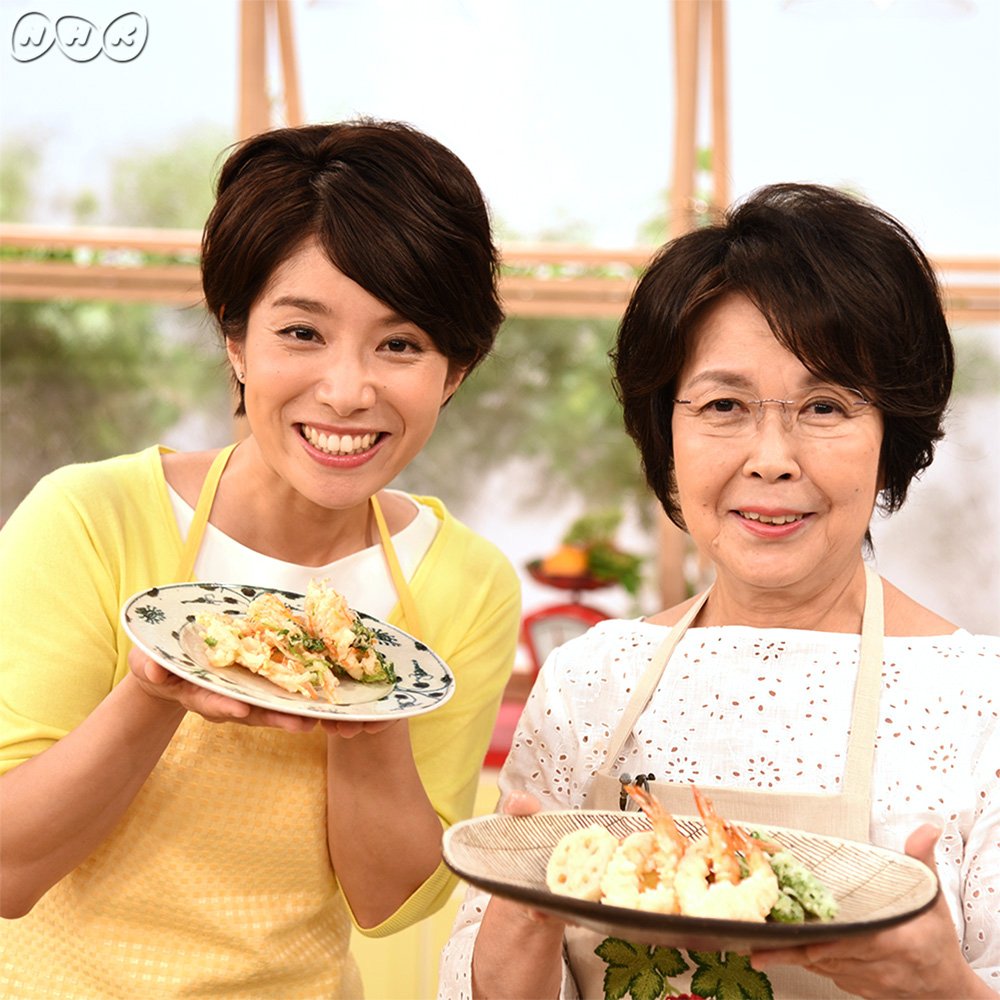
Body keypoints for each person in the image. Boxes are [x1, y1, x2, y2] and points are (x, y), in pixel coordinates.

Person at [0, 119, 521, 997]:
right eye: (302, 333)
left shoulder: (464, 581)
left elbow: (390, 902)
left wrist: (370, 697)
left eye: (400, 344)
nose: (348, 391)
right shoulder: (90, 518)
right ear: (236, 341)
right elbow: (8, 869)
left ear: (455, 370)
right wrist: (154, 690)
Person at [438, 184, 998, 1000]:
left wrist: (942, 985)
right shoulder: (591, 683)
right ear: (665, 432)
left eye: (825, 405)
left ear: (892, 436)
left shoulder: (980, 702)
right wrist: (524, 912)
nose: (771, 459)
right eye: (724, 404)